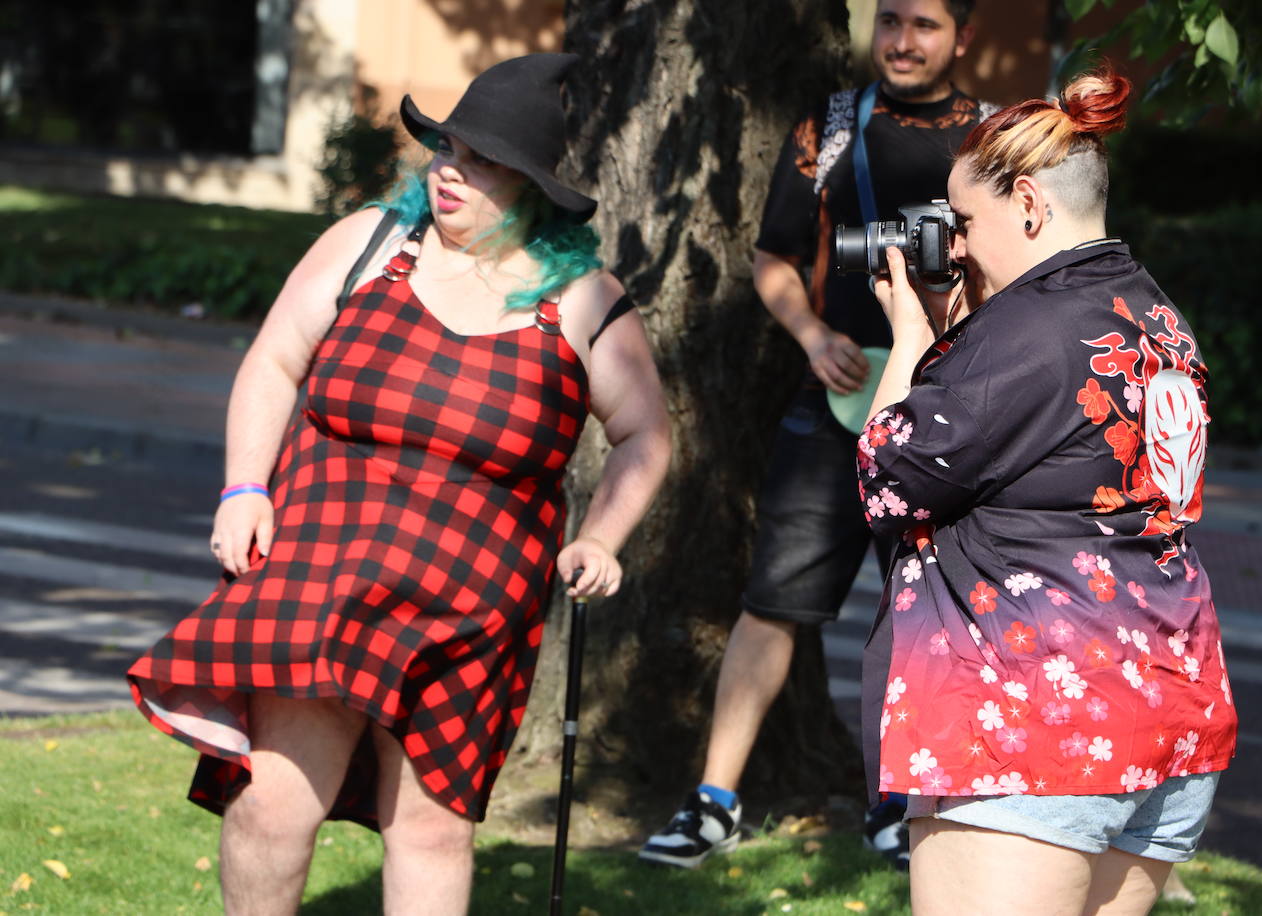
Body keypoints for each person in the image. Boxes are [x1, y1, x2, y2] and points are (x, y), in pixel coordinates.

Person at [127, 53, 671, 915]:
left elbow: (646, 435)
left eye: (482, 159)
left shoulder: (582, 301)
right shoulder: (371, 242)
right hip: (324, 572)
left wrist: (602, 536)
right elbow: (273, 360)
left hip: (474, 604)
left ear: (531, 185)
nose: (451, 169)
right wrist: (242, 489)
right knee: (272, 799)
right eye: (448, 147)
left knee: (431, 830)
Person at [858, 64, 1237, 915]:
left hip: (1032, 716)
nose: (952, 246)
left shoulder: (1030, 330)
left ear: (1028, 204)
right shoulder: (1158, 317)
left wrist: (913, 333)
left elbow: (887, 478)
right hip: (1166, 709)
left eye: (963, 222)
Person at [640, 0, 992, 871]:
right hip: (834, 401)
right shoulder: (833, 128)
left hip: (949, 411)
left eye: (928, 26)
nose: (904, 42)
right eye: (893, 21)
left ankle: (902, 806)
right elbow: (774, 255)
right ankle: (713, 802)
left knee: (930, 617)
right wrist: (813, 335)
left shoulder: (996, 139)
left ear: (964, 37)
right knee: (774, 604)